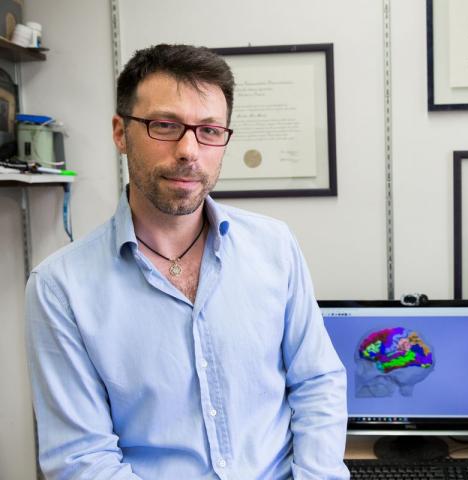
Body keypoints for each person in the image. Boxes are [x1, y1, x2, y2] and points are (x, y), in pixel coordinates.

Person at [25, 44, 349, 480]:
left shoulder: (275, 247)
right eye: (165, 125)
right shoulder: (60, 287)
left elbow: (318, 382)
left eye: (209, 130)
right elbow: (81, 458)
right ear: (120, 133)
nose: (188, 150)